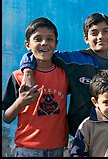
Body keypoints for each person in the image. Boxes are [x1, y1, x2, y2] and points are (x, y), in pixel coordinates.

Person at [20, 13, 108, 137]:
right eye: (94, 32)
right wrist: (27, 71)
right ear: (86, 38)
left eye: (105, 31)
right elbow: (41, 53)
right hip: (81, 134)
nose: (100, 36)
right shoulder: (74, 60)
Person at [2, 17, 69, 157]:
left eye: (49, 39)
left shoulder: (65, 74)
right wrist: (20, 102)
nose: (44, 43)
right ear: (28, 44)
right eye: (38, 39)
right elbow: (7, 118)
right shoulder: (17, 76)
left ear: (56, 44)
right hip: (27, 149)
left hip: (57, 148)